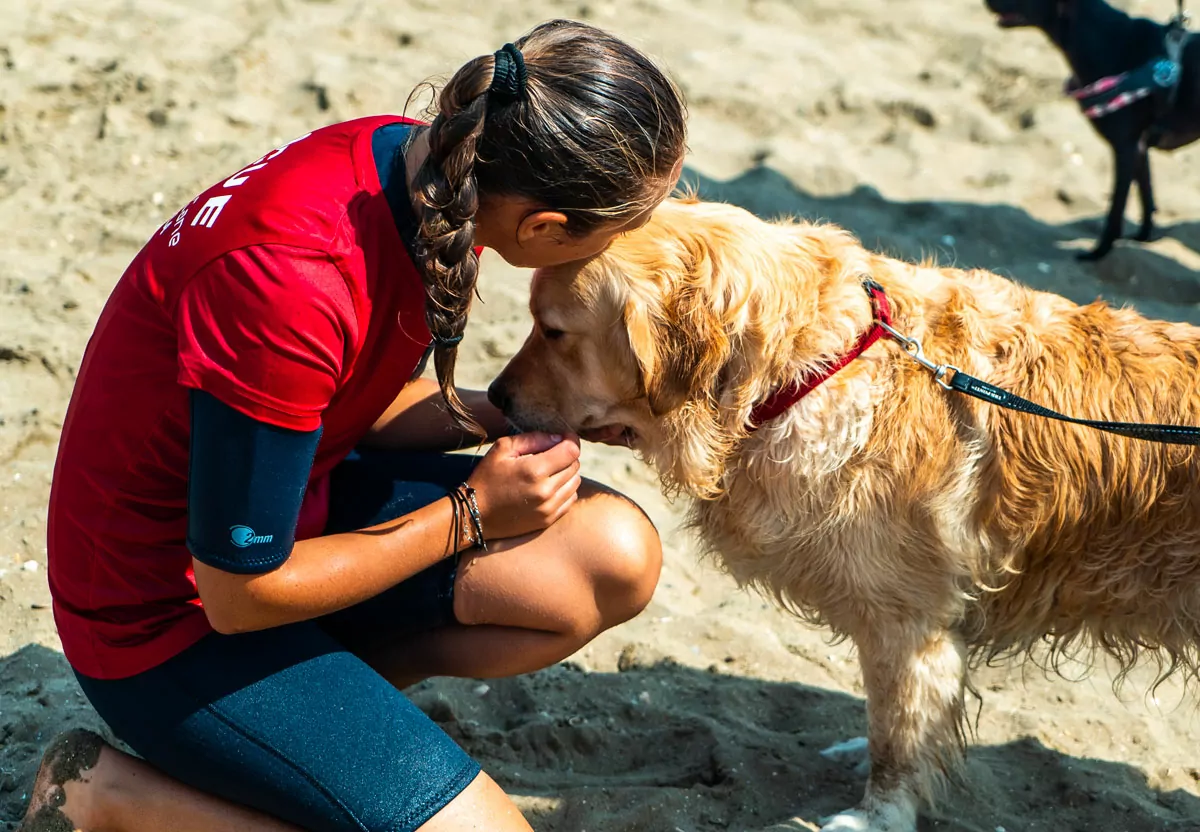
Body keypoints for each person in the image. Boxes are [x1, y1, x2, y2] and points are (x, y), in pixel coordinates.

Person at [20, 19, 687, 832]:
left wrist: (514, 412)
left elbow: (356, 413)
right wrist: (472, 513)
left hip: (299, 512)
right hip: (169, 618)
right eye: (623, 227)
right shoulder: (291, 279)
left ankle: (311, 737)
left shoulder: (438, 171)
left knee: (608, 556)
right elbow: (239, 594)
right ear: (544, 231)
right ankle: (115, 798)